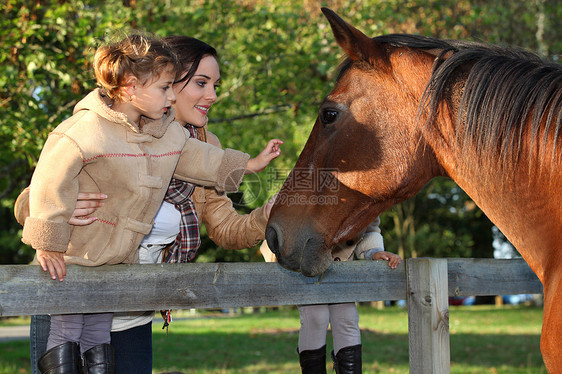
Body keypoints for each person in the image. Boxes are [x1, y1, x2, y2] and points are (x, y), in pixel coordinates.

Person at [16, 35, 282, 374]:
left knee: (101, 351)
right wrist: (58, 222)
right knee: (67, 345)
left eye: (215, 84)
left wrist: (265, 211)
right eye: (201, 83)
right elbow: (41, 191)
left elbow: (225, 224)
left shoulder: (193, 144)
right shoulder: (95, 131)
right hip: (69, 280)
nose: (212, 95)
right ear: (144, 84)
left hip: (130, 309)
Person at [260, 217, 402, 374]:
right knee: (316, 315)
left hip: (340, 265)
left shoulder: (363, 195)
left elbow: (368, 226)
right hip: (304, 260)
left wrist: (374, 251)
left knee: (346, 317)